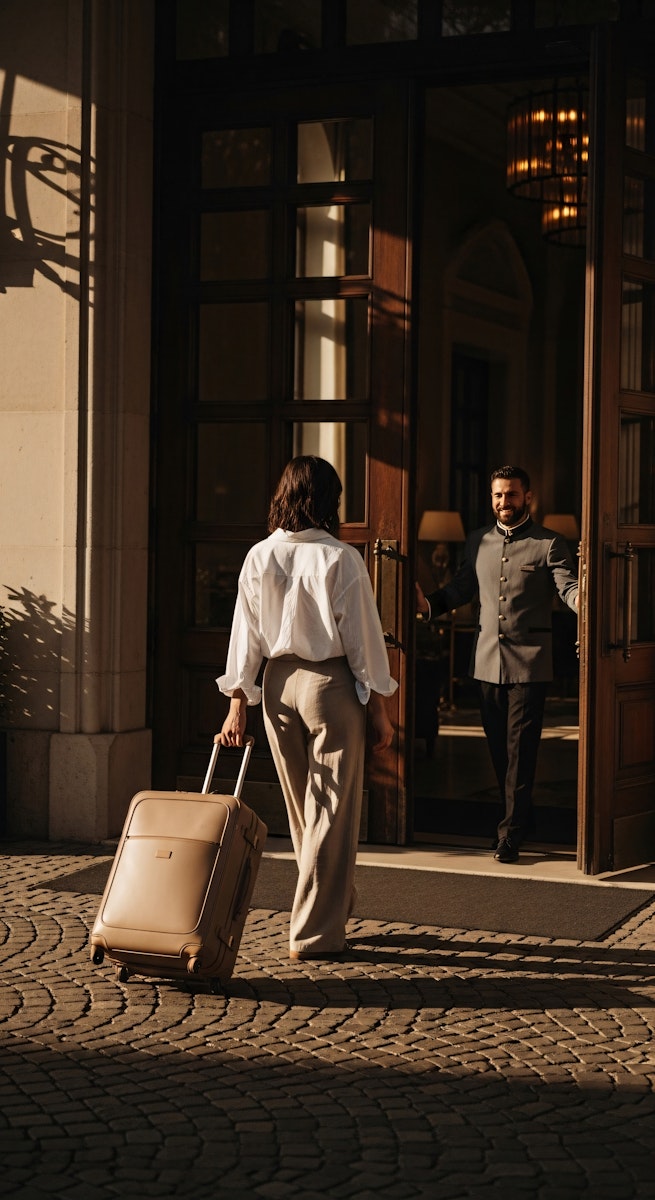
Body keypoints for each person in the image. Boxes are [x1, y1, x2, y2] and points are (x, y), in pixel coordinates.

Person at [217, 455, 397, 960]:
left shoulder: (259, 555)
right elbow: (363, 641)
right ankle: (315, 934)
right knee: (331, 815)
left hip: (277, 686)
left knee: (304, 812)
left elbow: (244, 635)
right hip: (328, 686)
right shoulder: (341, 558)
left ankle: (332, 903)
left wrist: (237, 704)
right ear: (329, 501)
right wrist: (379, 708)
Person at [416, 466, 579, 863]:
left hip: (530, 665)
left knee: (521, 751)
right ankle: (524, 817)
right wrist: (428, 604)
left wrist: (585, 600)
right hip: (486, 661)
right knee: (499, 751)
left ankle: (510, 834)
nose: (504, 502)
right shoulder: (477, 541)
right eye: (498, 495)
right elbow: (461, 588)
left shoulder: (550, 543)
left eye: (511, 494)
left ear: (528, 497)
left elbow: (568, 587)